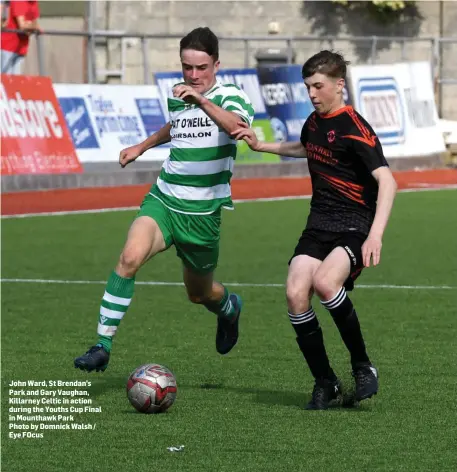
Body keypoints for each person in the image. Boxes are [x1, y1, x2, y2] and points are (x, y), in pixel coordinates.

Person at [74, 27, 255, 372]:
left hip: (202, 214)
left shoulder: (230, 95)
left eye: (201, 67)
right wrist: (141, 147)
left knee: (199, 294)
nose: (193, 75)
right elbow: (176, 125)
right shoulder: (180, 94)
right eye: (187, 67)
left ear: (217, 64)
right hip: (165, 198)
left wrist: (201, 99)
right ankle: (102, 344)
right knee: (129, 257)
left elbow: (237, 128)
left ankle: (229, 308)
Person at [232, 50, 397, 410]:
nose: (311, 93)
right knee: (294, 293)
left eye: (318, 86)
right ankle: (326, 382)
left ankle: (362, 365)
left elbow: (387, 181)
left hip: (355, 225)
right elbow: (305, 147)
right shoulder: (314, 122)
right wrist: (263, 145)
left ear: (339, 85)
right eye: (307, 86)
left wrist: (375, 235)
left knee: (326, 283)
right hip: (318, 223)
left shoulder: (356, 128)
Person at [1, 0, 40, 74]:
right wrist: (32, 26)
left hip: (21, 47)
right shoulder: (19, 1)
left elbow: (34, 23)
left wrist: (32, 26)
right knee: (5, 79)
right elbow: (22, 25)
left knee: (16, 80)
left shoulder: (34, 2)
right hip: (8, 47)